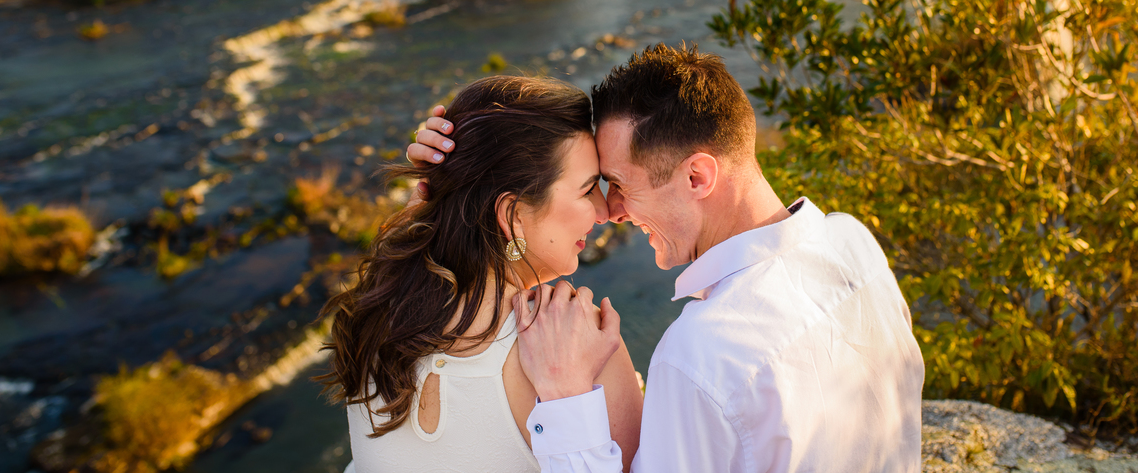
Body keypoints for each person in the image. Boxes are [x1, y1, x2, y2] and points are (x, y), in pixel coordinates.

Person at [410, 43, 925, 473]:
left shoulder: (699, 355)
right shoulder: (853, 243)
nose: (611, 211)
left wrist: (567, 398)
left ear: (697, 177)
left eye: (618, 185)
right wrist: (457, 188)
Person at [321, 75, 643, 473]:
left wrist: (440, 185)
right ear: (512, 215)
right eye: (588, 189)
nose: (605, 211)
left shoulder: (377, 312)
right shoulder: (581, 345)